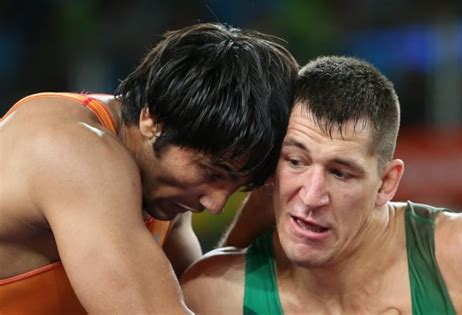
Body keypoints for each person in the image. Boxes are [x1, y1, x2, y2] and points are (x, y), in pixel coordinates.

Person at [0, 23, 298, 314]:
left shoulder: (162, 183)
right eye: (212, 173)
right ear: (152, 118)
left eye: (236, 186)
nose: (216, 204)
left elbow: (198, 299)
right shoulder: (71, 151)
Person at [180, 56, 462, 314]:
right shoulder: (213, 296)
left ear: (386, 183)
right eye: (295, 161)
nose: (311, 196)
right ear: (270, 165)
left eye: (340, 173)